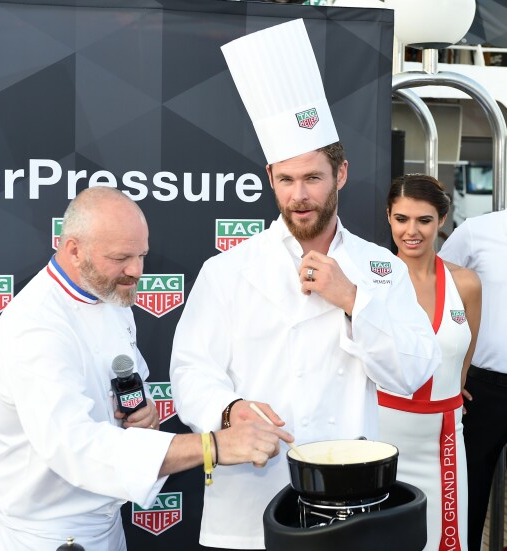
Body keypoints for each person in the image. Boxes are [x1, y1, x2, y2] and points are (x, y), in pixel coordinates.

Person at [169, 19, 441, 550]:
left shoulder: (377, 267)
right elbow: (190, 372)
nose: (299, 195)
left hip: (352, 500)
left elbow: (413, 372)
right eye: (287, 179)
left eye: (313, 178)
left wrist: (353, 302)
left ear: (340, 175)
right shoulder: (227, 270)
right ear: (270, 178)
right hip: (250, 497)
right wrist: (228, 411)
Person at [0, 186, 293, 551]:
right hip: (38, 537)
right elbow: (76, 448)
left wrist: (143, 418)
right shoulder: (35, 329)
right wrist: (212, 445)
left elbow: (124, 394)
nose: (136, 271)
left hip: (105, 526)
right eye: (121, 257)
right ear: (74, 250)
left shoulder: (111, 297)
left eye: (142, 255)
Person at [377, 174, 481, 551]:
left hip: (444, 440)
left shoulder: (466, 284)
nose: (411, 231)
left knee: (445, 542)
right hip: (380, 438)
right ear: (388, 217)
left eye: (423, 220)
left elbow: (461, 364)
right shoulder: (371, 280)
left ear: (442, 219)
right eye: (401, 219)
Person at [439, 207, 507, 551]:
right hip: (483, 389)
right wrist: (451, 369)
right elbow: (432, 279)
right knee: (469, 491)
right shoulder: (477, 231)